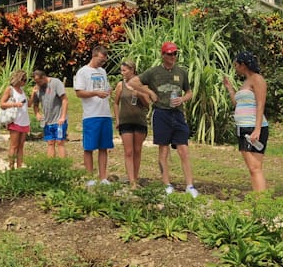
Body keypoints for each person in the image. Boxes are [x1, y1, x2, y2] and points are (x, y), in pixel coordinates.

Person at [127, 41, 198, 198]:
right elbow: (132, 82)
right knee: (163, 150)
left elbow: (189, 92)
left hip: (177, 113)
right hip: (161, 113)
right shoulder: (154, 72)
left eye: (175, 54)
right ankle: (166, 184)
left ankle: (190, 185)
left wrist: (183, 99)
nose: (173, 57)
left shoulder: (181, 72)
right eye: (169, 54)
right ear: (163, 55)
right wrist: (149, 92)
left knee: (183, 150)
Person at [223, 51, 269, 192]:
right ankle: (258, 200)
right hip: (243, 128)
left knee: (255, 168)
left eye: (236, 65)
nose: (235, 68)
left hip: (252, 127)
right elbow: (238, 105)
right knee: (253, 168)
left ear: (243, 65)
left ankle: (261, 202)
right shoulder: (246, 82)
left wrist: (257, 129)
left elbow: (261, 104)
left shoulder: (257, 79)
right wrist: (230, 89)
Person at [73, 45, 115, 186]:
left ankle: (103, 177)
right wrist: (95, 93)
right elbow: (79, 92)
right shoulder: (83, 72)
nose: (102, 63)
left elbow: (105, 87)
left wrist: (108, 91)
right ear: (94, 55)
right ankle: (89, 177)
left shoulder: (102, 71)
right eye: (101, 60)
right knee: (89, 147)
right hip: (91, 114)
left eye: (104, 61)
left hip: (105, 113)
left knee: (104, 147)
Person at [113, 59, 153, 188]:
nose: (122, 73)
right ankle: (131, 181)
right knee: (128, 151)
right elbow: (115, 102)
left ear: (132, 70)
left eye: (124, 70)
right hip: (125, 121)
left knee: (137, 150)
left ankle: (135, 177)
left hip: (139, 121)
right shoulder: (120, 85)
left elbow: (148, 105)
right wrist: (117, 119)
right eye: (121, 70)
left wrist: (140, 95)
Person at [31, 69, 68, 159]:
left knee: (60, 142)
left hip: (59, 120)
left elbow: (65, 100)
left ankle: (62, 165)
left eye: (39, 81)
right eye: (36, 82)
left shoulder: (55, 83)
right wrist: (37, 113)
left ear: (44, 77)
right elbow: (35, 104)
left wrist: (63, 117)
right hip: (47, 121)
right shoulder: (38, 88)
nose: (37, 83)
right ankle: (50, 166)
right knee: (50, 142)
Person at [0, 69, 31, 169]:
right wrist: (15, 104)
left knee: (21, 145)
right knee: (14, 145)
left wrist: (34, 94)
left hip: (24, 120)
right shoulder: (10, 89)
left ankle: (19, 166)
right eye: (24, 80)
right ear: (19, 79)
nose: (25, 82)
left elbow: (28, 104)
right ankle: (11, 167)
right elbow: (2, 104)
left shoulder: (22, 91)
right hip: (15, 120)